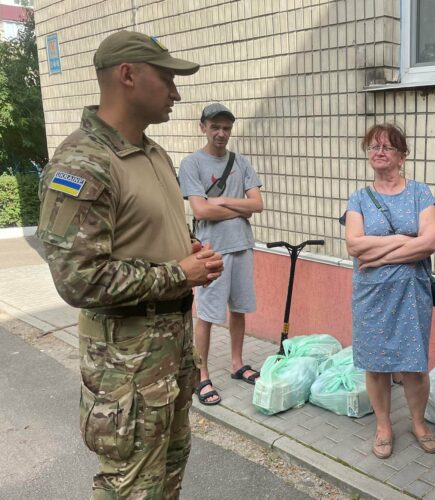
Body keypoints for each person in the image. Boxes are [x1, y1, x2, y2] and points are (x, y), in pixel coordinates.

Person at [36, 31, 224, 499]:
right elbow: (79, 279)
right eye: (167, 79)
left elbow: (152, 236)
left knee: (168, 475)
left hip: (171, 348)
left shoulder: (153, 153)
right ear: (128, 76)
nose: (177, 93)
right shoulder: (83, 163)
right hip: (127, 360)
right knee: (130, 487)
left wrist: (191, 251)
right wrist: (180, 274)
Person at [342, 123, 435, 459]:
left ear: (402, 155)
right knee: (376, 364)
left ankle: (418, 422)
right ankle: (384, 426)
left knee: (414, 365)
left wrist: (380, 252)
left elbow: (430, 242)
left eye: (387, 147)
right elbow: (355, 246)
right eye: (373, 147)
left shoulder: (420, 193)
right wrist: (404, 242)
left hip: (412, 293)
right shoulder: (358, 197)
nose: (379, 152)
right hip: (371, 293)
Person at [179, 102, 264, 405]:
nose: (221, 133)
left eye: (226, 128)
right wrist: (236, 206)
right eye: (215, 127)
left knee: (238, 309)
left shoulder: (241, 162)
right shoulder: (192, 164)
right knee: (207, 315)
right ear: (203, 127)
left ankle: (237, 363)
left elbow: (257, 205)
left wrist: (219, 206)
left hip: (241, 246)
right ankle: (201, 376)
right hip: (211, 252)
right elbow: (199, 209)